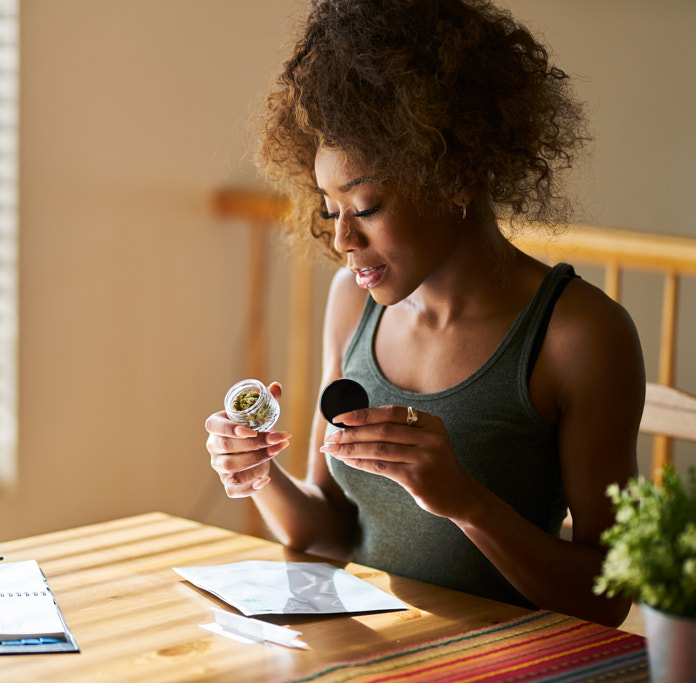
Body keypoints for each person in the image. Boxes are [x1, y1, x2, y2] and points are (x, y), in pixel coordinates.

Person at [204, 0, 644, 628]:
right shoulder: (353, 301)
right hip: (377, 652)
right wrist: (259, 473)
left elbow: (606, 599)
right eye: (332, 209)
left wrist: (465, 502)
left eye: (368, 204)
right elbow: (327, 532)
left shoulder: (578, 337)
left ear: (455, 177)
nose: (341, 240)